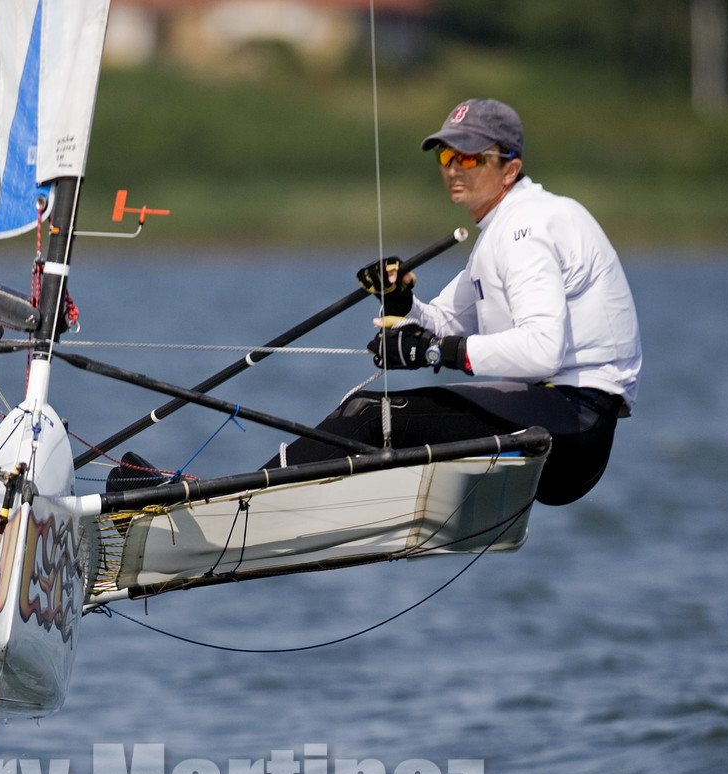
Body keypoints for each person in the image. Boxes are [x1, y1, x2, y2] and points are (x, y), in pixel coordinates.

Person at [268, 98, 641, 506]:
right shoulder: (505, 229)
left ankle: (247, 501)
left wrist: (432, 350)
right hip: (557, 419)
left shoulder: (527, 227)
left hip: (573, 425)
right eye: (447, 155)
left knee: (367, 415)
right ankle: (277, 503)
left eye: (469, 157)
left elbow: (541, 350)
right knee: (370, 416)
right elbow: (443, 321)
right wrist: (400, 301)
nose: (452, 168)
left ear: (510, 168)